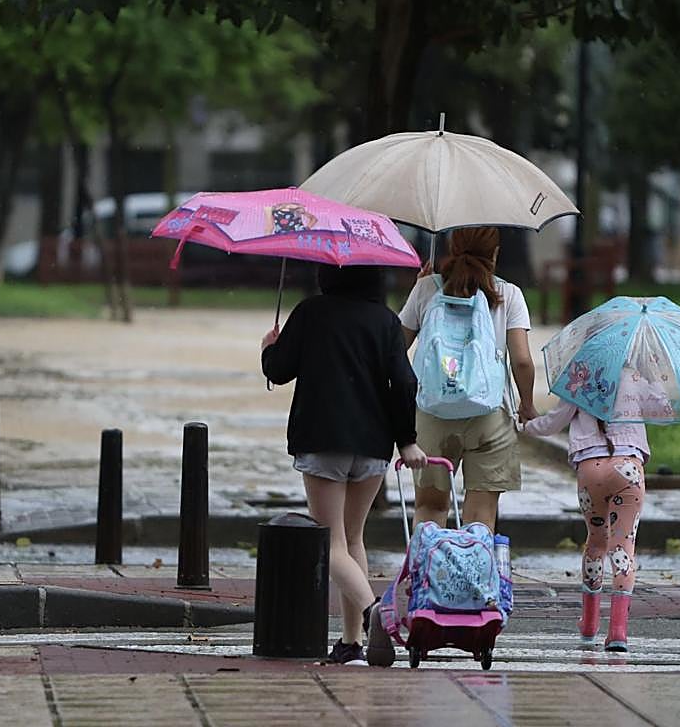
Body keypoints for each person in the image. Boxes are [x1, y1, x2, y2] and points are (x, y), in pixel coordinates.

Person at [262, 264, 427, 665]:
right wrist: (406, 439)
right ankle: (353, 642)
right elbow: (404, 383)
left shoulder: (311, 312)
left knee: (329, 540)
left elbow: (278, 371)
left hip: (323, 438)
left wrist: (269, 346)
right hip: (373, 444)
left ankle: (375, 613)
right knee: (354, 539)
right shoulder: (386, 321)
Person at [398, 227, 537, 532]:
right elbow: (523, 360)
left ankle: (427, 575)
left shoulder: (427, 288)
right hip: (490, 415)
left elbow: (396, 346)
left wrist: (422, 288)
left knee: (429, 507)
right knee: (480, 515)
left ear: (453, 247)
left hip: (432, 412)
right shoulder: (509, 294)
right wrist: (527, 404)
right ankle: (473, 577)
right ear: (495, 254)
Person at [524, 399, 649, 652]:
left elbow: (552, 423)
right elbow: (660, 404)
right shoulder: (637, 379)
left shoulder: (577, 383)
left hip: (590, 470)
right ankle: (618, 632)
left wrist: (526, 425)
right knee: (623, 548)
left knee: (596, 542)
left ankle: (590, 623)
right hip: (628, 467)